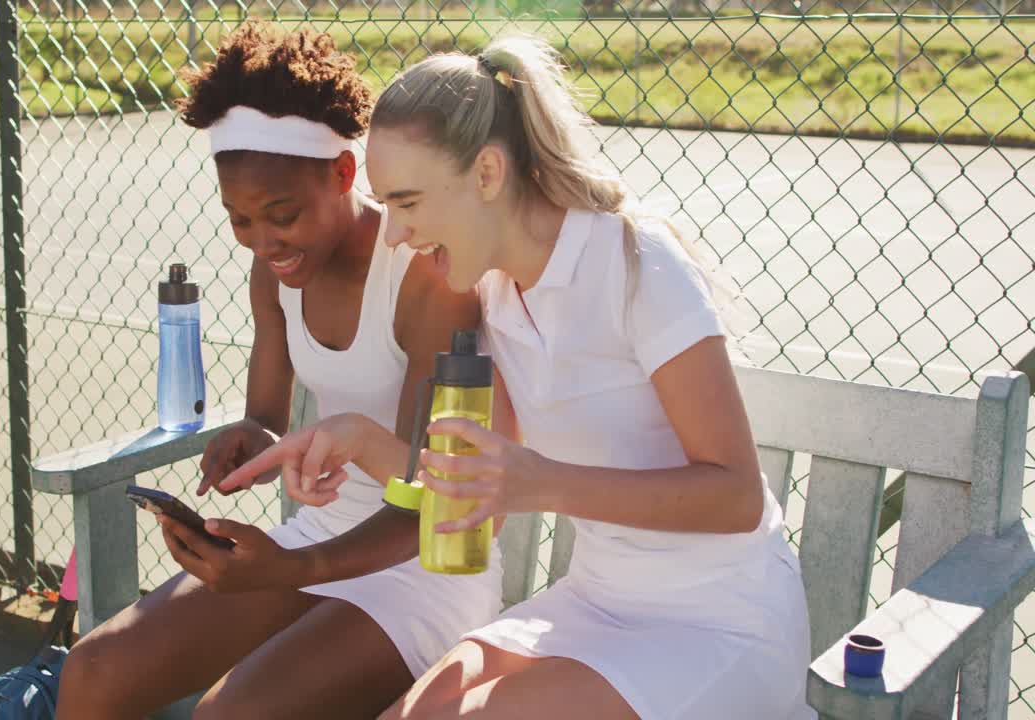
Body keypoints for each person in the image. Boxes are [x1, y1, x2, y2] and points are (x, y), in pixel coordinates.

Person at [222, 33, 815, 720]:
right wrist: (354, 438)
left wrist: (546, 481)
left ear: (487, 175)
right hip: (597, 600)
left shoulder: (636, 264)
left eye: (408, 204)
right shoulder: (494, 293)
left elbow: (737, 496)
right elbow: (476, 488)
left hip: (717, 620)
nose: (394, 234)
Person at [54, 22, 502, 720]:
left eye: (281, 215)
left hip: (420, 566)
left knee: (232, 714)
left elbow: (431, 498)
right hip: (316, 547)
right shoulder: (277, 271)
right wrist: (252, 436)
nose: (264, 242)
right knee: (93, 670)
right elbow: (268, 411)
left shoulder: (425, 275)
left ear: (345, 174)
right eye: (239, 220)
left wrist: (291, 569)